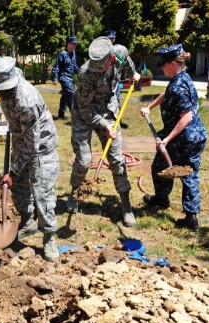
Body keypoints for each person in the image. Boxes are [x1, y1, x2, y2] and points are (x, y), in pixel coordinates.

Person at [0, 57, 61, 261]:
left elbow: (32, 144)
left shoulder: (27, 100)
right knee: (20, 187)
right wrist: (15, 173)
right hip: (21, 141)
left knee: (42, 194)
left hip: (41, 146)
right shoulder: (4, 89)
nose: (3, 94)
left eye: (6, 90)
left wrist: (11, 172)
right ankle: (27, 221)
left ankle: (49, 238)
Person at [67, 36, 140, 227]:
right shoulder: (85, 73)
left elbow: (128, 64)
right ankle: (74, 193)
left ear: (111, 59)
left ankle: (126, 206)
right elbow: (85, 108)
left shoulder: (120, 53)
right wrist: (104, 126)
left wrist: (133, 74)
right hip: (84, 114)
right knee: (83, 160)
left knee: (116, 159)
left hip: (108, 109)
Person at [140, 44, 208, 231]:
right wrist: (150, 107)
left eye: (163, 64)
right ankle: (191, 217)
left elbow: (186, 116)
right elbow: (166, 93)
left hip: (183, 138)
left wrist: (167, 139)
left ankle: (162, 199)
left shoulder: (178, 86)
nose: (161, 68)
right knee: (190, 173)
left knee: (160, 167)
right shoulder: (182, 78)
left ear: (172, 63)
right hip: (197, 135)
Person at [105, 30, 135, 129]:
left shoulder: (118, 51)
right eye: (109, 38)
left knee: (116, 101)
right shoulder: (102, 50)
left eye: (112, 38)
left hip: (115, 82)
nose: (111, 40)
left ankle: (118, 120)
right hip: (104, 83)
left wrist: (132, 74)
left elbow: (126, 60)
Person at [51, 36, 79, 120]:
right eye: (73, 44)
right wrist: (54, 78)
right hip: (63, 77)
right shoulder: (62, 54)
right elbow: (56, 66)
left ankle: (61, 113)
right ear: (69, 44)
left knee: (65, 96)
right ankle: (75, 115)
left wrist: (81, 72)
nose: (75, 46)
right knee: (71, 94)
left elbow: (74, 66)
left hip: (70, 78)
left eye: (75, 44)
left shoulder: (73, 54)